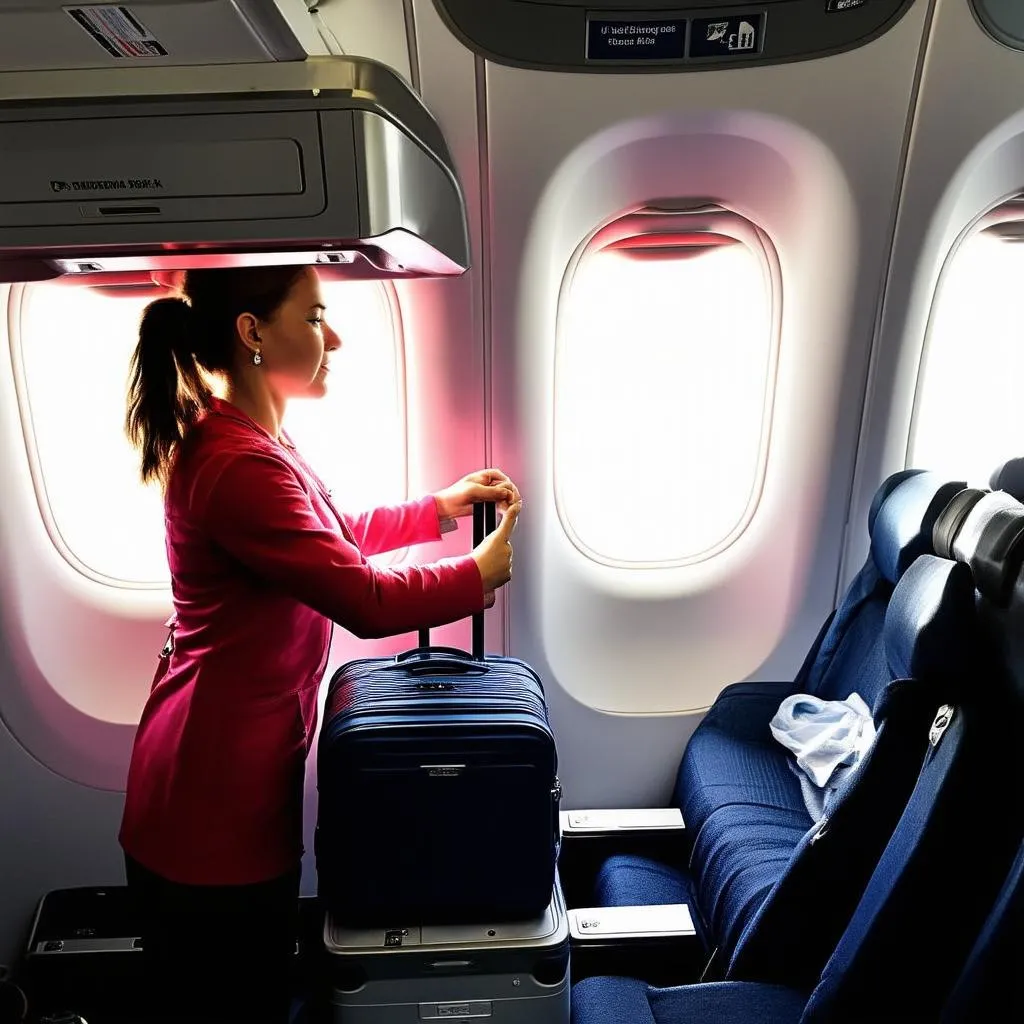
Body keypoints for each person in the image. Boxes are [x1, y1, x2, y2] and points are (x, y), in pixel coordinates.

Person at [118, 265, 522, 1023]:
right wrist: (474, 573)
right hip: (207, 807)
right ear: (252, 332)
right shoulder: (235, 463)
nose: (332, 337)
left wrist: (435, 511)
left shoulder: (255, 441)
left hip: (229, 783)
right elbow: (360, 599)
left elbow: (325, 543)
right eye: (314, 317)